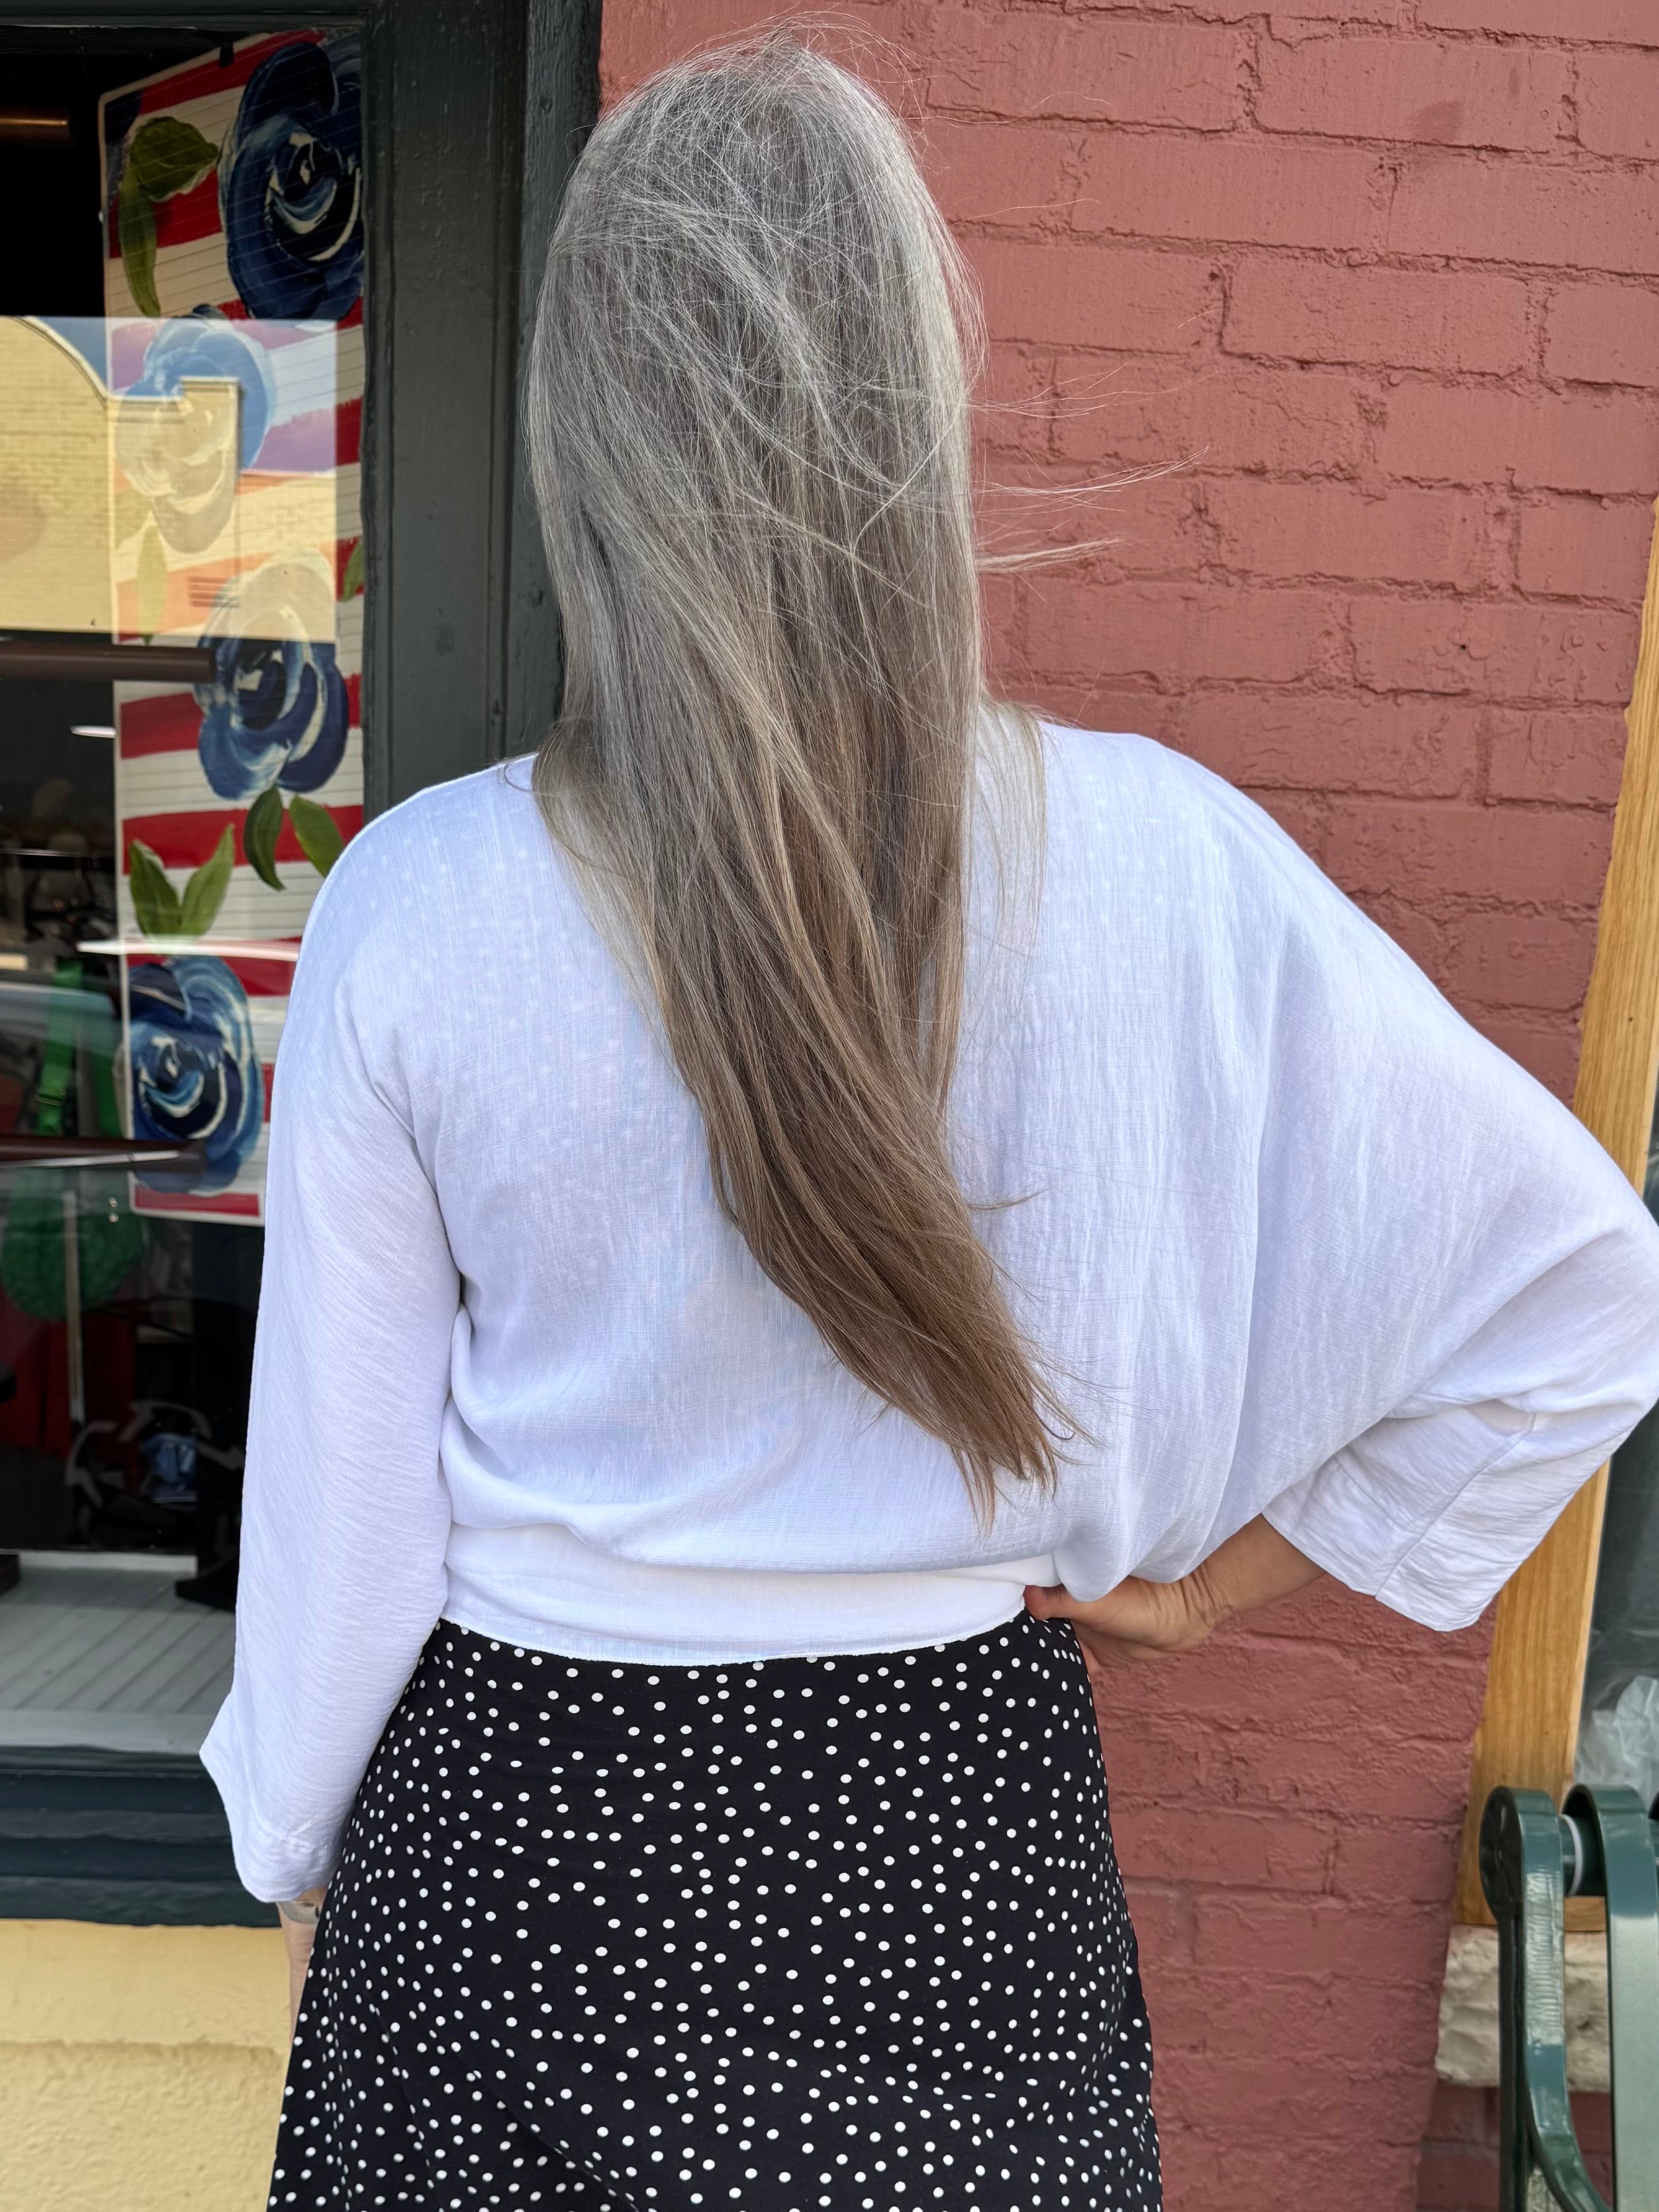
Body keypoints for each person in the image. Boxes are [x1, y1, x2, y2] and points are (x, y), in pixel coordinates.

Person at [204, 37, 1659, 2212]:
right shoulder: (1160, 866)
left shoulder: (420, 910)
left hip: (514, 1869)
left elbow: (345, 1538)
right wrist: (1208, 1595)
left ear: (587, 451)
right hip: (958, 1866)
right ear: (915, 409)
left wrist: (294, 1855)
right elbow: (1580, 1302)